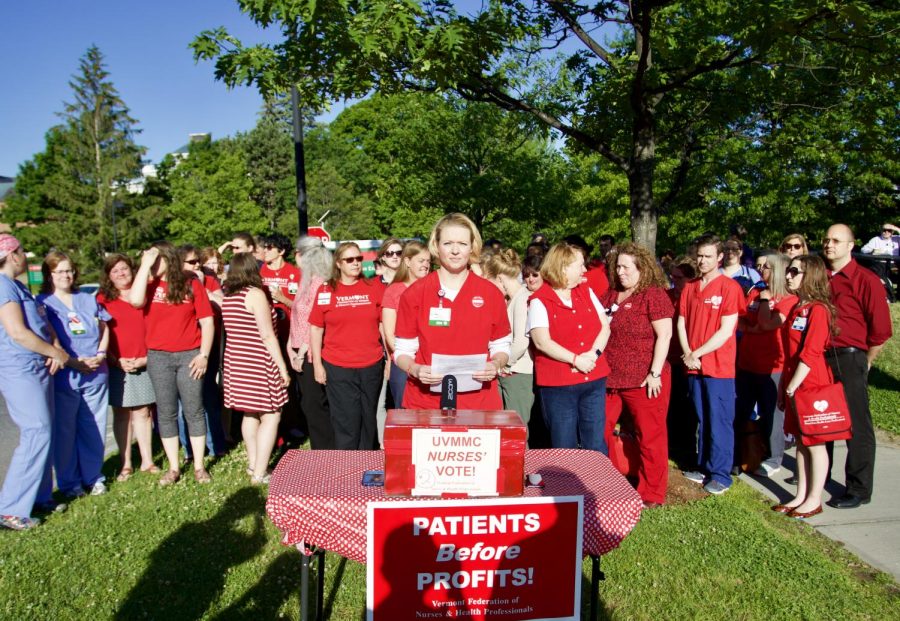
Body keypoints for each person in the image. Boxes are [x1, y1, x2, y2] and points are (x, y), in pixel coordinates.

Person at [394, 213, 511, 411]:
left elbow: (502, 345)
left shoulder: (490, 293)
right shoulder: (414, 294)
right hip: (425, 403)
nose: (455, 251)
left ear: (472, 247)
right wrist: (415, 369)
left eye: (462, 244)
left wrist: (496, 364)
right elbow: (403, 351)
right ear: (436, 246)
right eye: (448, 243)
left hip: (479, 404)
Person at [130, 241, 215, 485]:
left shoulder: (191, 283)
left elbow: (207, 321)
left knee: (194, 410)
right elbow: (135, 301)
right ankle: (174, 467)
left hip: (190, 355)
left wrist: (204, 355)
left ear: (169, 260)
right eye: (153, 261)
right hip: (158, 356)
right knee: (166, 413)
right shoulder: (148, 283)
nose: (154, 265)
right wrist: (146, 262)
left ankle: (199, 466)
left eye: (158, 260)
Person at [821, 224, 893, 509]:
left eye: (837, 240)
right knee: (820, 417)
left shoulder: (866, 280)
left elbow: (881, 331)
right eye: (827, 240)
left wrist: (866, 361)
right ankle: (819, 472)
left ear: (851, 245)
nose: (829, 245)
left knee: (856, 424)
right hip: (820, 355)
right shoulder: (820, 278)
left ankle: (858, 488)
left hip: (850, 357)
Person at [0, 235, 69, 530]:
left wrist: (53, 348)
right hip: (20, 369)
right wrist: (55, 352)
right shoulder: (3, 286)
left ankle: (39, 496)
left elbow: (38, 325)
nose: (26, 258)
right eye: (21, 253)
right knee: (36, 429)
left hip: (38, 367)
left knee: (45, 430)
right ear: (12, 254)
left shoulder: (17, 286)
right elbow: (18, 332)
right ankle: (10, 509)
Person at [600, 243, 674, 506]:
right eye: (617, 266)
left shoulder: (653, 295)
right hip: (610, 379)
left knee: (650, 436)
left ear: (641, 268)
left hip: (644, 379)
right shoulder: (610, 295)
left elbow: (664, 335)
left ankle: (651, 492)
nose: (620, 272)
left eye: (626, 267)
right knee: (600, 430)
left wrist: (654, 373)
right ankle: (607, 479)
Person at [38, 252, 111, 498]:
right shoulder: (43, 304)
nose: (65, 276)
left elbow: (105, 327)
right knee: (65, 432)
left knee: (93, 428)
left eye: (69, 270)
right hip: (64, 376)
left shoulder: (87, 300)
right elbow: (46, 339)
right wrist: (73, 362)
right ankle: (70, 483)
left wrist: (101, 353)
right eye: (59, 271)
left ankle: (93, 477)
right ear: (49, 275)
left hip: (95, 373)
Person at [677, 234, 745, 495]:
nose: (702, 261)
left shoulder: (729, 288)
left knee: (719, 419)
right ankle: (703, 465)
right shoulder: (691, 287)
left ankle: (720, 473)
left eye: (707, 256)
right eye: (699, 256)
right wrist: (688, 352)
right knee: (701, 417)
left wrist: (698, 352)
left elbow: (727, 330)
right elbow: (681, 321)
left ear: (719, 258)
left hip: (718, 367)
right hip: (693, 364)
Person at [773, 255, 840, 518]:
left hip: (810, 384)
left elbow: (811, 353)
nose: (788, 275)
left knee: (815, 443)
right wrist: (784, 388)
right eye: (789, 270)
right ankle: (800, 494)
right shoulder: (797, 307)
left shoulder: (818, 310)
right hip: (793, 380)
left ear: (809, 276)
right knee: (800, 442)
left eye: (794, 271)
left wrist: (792, 386)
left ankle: (814, 499)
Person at [527, 242, 611, 452]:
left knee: (595, 442)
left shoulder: (585, 291)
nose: (585, 270)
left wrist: (593, 354)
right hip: (559, 385)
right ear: (563, 267)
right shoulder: (540, 300)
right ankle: (565, 485)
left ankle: (596, 484)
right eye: (580, 265)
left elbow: (605, 326)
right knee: (564, 443)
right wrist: (575, 359)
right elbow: (541, 341)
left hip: (593, 378)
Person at [221, 253, 290, 484]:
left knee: (250, 413)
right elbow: (267, 335)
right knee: (272, 414)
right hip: (258, 361)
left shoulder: (229, 296)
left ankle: (253, 464)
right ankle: (260, 472)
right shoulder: (255, 294)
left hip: (237, 361)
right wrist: (282, 368)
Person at [309, 242, 386, 450]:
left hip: (371, 363)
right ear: (339, 264)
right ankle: (346, 466)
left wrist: (389, 356)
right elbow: (316, 328)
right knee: (346, 420)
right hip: (338, 365)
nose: (356, 263)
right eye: (350, 260)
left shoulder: (374, 287)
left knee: (369, 417)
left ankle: (367, 462)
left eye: (359, 259)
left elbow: (382, 324)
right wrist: (317, 364)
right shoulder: (326, 290)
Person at [97, 254, 157, 480]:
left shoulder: (145, 294)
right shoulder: (102, 299)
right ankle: (125, 463)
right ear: (109, 276)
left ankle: (148, 461)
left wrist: (146, 358)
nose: (121, 273)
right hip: (117, 363)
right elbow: (101, 334)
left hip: (144, 360)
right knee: (121, 414)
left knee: (143, 412)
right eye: (115, 271)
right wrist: (114, 359)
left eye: (124, 268)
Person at [736, 252, 796, 477]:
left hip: (773, 366)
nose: (762, 271)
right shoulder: (755, 293)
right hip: (747, 362)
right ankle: (742, 454)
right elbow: (740, 319)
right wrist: (753, 326)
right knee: (741, 411)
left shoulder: (788, 299)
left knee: (772, 414)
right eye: (761, 267)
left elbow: (767, 323)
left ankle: (774, 458)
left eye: (767, 267)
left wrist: (764, 301)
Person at [178, 245, 226, 461]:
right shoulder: (176, 284)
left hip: (209, 346)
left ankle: (216, 445)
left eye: (198, 261)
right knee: (185, 402)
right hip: (185, 348)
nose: (197, 265)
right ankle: (189, 449)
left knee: (209, 396)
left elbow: (223, 304)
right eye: (191, 262)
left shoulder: (209, 279)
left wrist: (204, 288)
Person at [288, 236, 334, 449]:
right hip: (298, 348)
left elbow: (314, 323)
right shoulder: (305, 281)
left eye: (297, 253)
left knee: (315, 404)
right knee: (309, 402)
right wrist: (290, 344)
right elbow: (297, 315)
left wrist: (301, 351)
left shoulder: (319, 284)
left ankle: (324, 449)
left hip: (310, 351)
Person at [482, 249, 535, 435]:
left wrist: (503, 363)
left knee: (518, 430)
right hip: (509, 371)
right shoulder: (512, 299)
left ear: (499, 278)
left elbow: (521, 341)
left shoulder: (522, 298)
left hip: (518, 372)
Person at [381, 240, 431, 418]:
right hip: (405, 366)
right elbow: (389, 332)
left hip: (430, 364)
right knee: (406, 417)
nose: (426, 265)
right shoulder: (394, 291)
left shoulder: (434, 289)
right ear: (408, 262)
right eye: (421, 261)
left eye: (428, 261)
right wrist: (409, 360)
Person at [666, 256, 697, 468]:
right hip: (668, 358)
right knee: (670, 404)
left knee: (687, 407)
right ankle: (670, 443)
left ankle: (686, 448)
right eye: (672, 276)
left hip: (687, 358)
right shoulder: (666, 296)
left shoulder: (693, 297)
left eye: (679, 277)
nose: (674, 280)